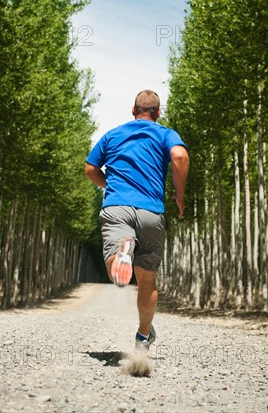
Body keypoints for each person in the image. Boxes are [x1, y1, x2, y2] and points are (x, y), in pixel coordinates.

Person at [84, 90, 189, 350]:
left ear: (133, 110)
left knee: (115, 269)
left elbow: (90, 169)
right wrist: (179, 193)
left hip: (117, 208)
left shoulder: (113, 134)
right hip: (151, 213)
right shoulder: (165, 133)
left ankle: (122, 251)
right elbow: (179, 156)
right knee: (147, 279)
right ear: (158, 113)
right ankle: (143, 337)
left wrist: (109, 186)